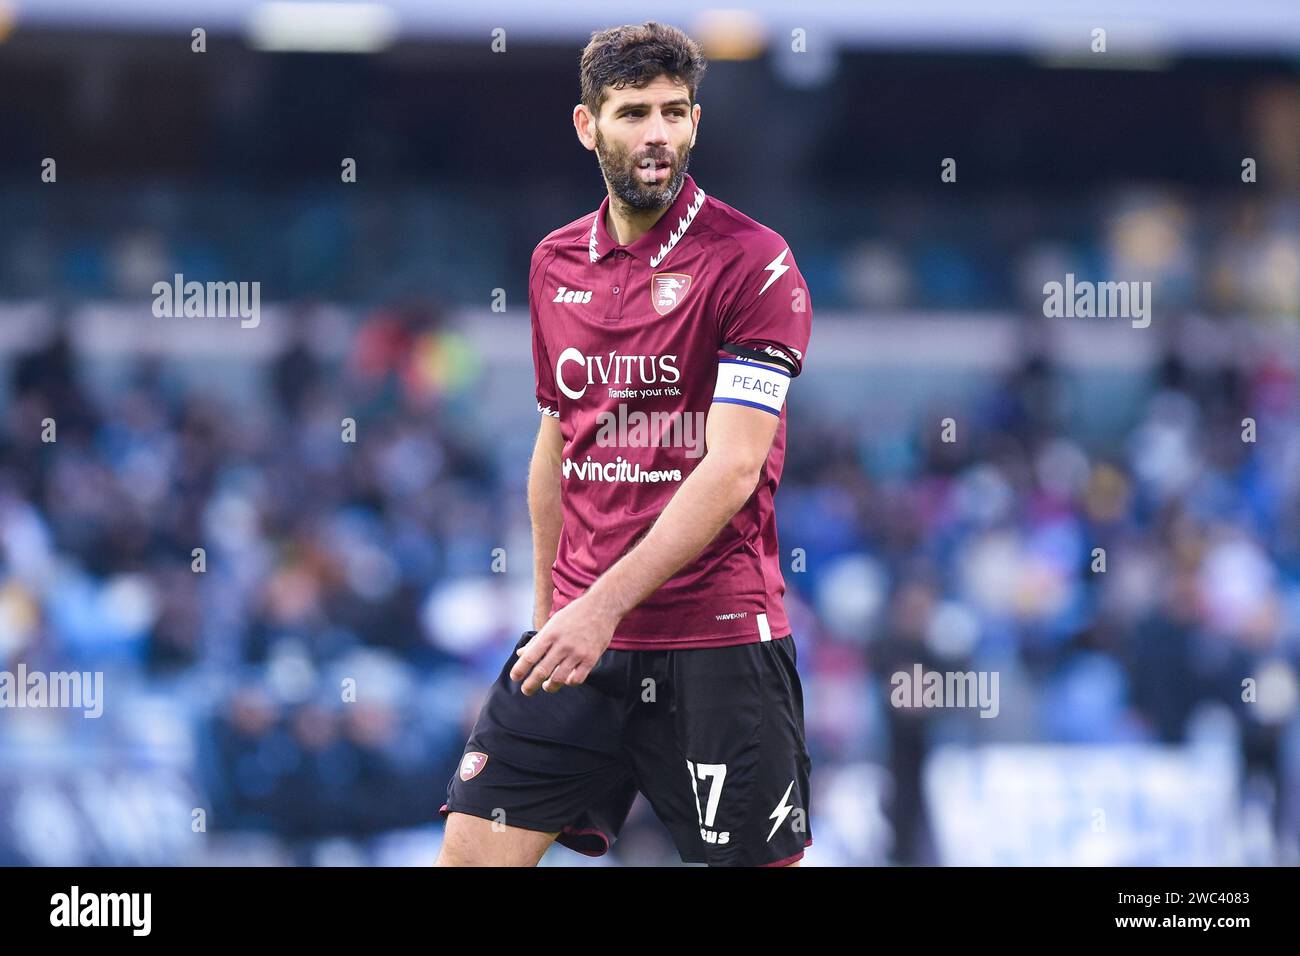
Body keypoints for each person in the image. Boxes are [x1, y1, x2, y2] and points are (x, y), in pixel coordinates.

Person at [436, 20, 814, 867]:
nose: (657, 134)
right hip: (577, 640)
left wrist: (600, 608)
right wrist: (548, 615)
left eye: (675, 113)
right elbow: (556, 446)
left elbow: (735, 465)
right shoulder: (552, 262)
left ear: (695, 123)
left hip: (714, 641)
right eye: (634, 112)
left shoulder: (756, 265)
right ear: (587, 125)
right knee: (467, 857)